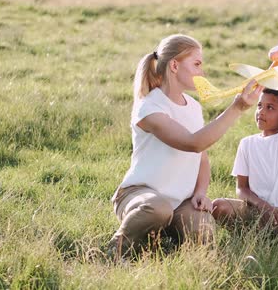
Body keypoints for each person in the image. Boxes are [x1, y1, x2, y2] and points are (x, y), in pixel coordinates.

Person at [108, 34, 263, 259]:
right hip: (140, 195)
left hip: (181, 202)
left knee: (203, 235)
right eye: (197, 64)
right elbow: (193, 144)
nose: (202, 72)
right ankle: (116, 249)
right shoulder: (150, 107)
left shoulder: (193, 107)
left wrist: (200, 192)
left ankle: (159, 240)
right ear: (174, 65)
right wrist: (236, 108)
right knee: (157, 209)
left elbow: (202, 157)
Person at [212, 45, 278, 253]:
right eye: (259, 106)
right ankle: (254, 239)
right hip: (256, 211)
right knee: (218, 207)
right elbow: (242, 189)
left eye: (270, 108)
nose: (261, 111)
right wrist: (262, 206)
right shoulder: (247, 143)